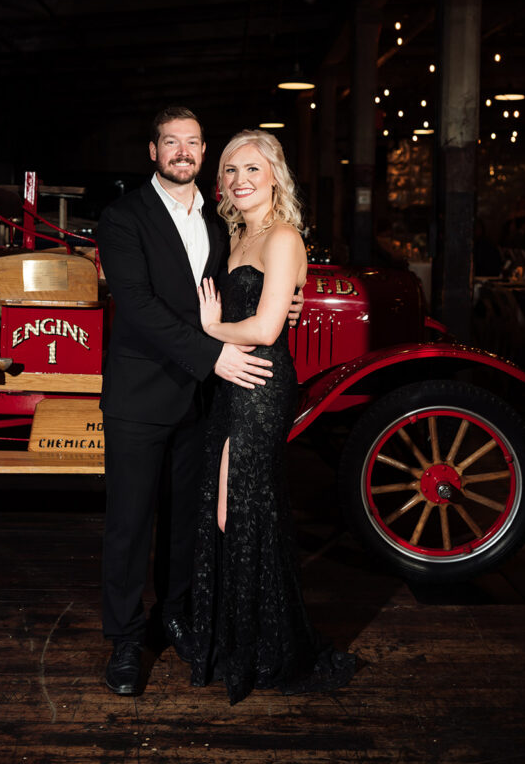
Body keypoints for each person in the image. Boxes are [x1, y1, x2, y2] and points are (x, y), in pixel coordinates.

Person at [97, 108, 302, 697]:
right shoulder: (123, 217)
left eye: (192, 143)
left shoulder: (222, 224)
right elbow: (136, 305)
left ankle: (176, 617)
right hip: (144, 392)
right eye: (170, 142)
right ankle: (127, 641)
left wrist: (285, 303)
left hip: (205, 397)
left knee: (188, 523)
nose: (181, 151)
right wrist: (213, 353)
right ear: (154, 151)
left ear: (201, 151)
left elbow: (250, 286)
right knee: (131, 523)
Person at [191, 128, 356, 705]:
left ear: (275, 176)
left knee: (243, 504)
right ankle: (246, 634)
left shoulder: (280, 236)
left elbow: (265, 330)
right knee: (227, 507)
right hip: (232, 380)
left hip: (259, 382)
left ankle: (266, 646)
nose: (239, 180)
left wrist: (209, 332)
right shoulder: (238, 235)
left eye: (252, 169)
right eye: (231, 170)